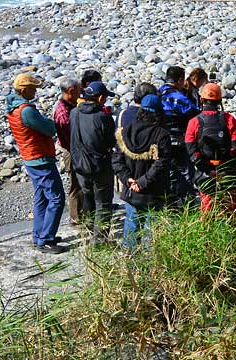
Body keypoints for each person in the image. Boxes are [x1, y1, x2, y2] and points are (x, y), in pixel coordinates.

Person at [6, 74, 66, 254]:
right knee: (56, 197)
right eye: (32, 89)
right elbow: (49, 128)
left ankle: (39, 235)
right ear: (24, 90)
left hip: (29, 158)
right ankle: (46, 240)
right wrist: (52, 123)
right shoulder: (26, 111)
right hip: (39, 158)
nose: (35, 92)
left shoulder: (13, 107)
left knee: (41, 197)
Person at [112, 94, 173, 249]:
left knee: (131, 229)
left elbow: (116, 160)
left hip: (132, 191)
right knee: (151, 234)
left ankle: (130, 268)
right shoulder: (162, 134)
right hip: (154, 192)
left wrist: (128, 180)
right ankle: (150, 269)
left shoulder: (125, 132)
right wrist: (143, 182)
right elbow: (162, 164)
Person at [185, 82, 236, 215]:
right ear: (219, 101)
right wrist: (225, 168)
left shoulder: (194, 122)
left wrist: (208, 170)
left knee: (207, 209)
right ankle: (233, 235)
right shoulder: (229, 119)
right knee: (230, 208)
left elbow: (191, 150)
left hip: (205, 174)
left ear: (202, 100)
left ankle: (208, 234)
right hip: (227, 171)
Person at [70, 81, 117, 243]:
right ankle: (100, 240)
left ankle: (89, 231)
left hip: (79, 165)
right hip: (99, 167)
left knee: (88, 198)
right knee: (103, 204)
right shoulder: (103, 117)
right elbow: (111, 142)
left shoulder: (74, 113)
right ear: (100, 98)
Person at [160, 66, 199, 202]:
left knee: (169, 171)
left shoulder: (157, 94)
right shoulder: (178, 98)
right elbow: (196, 115)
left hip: (161, 140)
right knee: (186, 171)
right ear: (181, 80)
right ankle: (187, 200)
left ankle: (170, 201)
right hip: (179, 140)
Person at [53, 78, 83, 226]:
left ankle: (81, 213)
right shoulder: (64, 115)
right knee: (76, 184)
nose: (81, 93)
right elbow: (72, 138)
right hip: (72, 151)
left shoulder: (67, 105)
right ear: (70, 92)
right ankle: (76, 218)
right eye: (79, 91)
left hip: (72, 148)